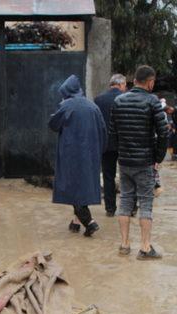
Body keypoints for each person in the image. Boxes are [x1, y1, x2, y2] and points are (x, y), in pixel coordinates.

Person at [109, 65, 169, 260]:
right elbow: (163, 132)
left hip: (124, 161)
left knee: (125, 200)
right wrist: (157, 158)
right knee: (146, 203)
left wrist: (122, 153)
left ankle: (124, 245)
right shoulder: (152, 102)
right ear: (150, 82)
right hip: (144, 162)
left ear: (134, 81)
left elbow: (113, 133)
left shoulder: (118, 101)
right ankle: (144, 247)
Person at [49, 75, 106, 237]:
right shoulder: (93, 106)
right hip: (90, 154)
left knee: (72, 186)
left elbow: (53, 124)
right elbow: (103, 131)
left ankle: (89, 222)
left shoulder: (67, 106)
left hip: (71, 155)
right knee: (83, 186)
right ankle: (76, 222)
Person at [95, 74, 127, 217]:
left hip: (106, 144)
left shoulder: (98, 100)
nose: (125, 88)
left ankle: (110, 208)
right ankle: (129, 208)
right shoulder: (126, 99)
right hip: (125, 144)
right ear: (120, 85)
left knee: (108, 176)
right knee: (127, 175)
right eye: (125, 85)